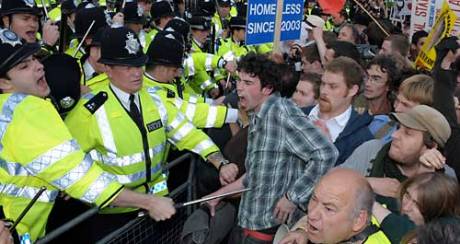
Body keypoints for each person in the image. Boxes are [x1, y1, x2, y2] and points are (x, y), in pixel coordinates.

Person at [0, 28, 176, 242]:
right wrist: (150, 202)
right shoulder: (27, 108)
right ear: (4, 82)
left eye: (35, 59)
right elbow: (81, 177)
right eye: (24, 66)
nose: (38, 67)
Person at [64, 26, 238, 241]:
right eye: (127, 66)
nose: (137, 72)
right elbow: (70, 170)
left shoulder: (155, 100)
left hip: (159, 209)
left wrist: (220, 161)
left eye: (139, 64)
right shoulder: (88, 112)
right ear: (107, 68)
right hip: (116, 218)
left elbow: (187, 133)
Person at [206, 53, 338, 243]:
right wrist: (217, 195)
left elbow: (326, 153)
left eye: (248, 83)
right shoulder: (258, 115)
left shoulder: (281, 113)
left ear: (267, 88)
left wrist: (292, 197)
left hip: (267, 233)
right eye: (239, 81)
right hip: (247, 226)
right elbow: (256, 175)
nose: (240, 88)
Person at [279, 168, 390, 244]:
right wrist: (303, 231)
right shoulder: (351, 215)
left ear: (358, 220)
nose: (312, 214)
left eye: (328, 209)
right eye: (314, 199)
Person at [303, 57, 374, 165]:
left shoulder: (361, 139)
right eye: (323, 84)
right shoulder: (297, 115)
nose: (324, 91)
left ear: (352, 90)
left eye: (333, 86)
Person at [372, 172, 460, 242]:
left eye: (417, 204)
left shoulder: (450, 232)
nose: (406, 207)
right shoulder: (394, 203)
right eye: (407, 195)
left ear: (438, 210)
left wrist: (372, 205)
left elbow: (411, 234)